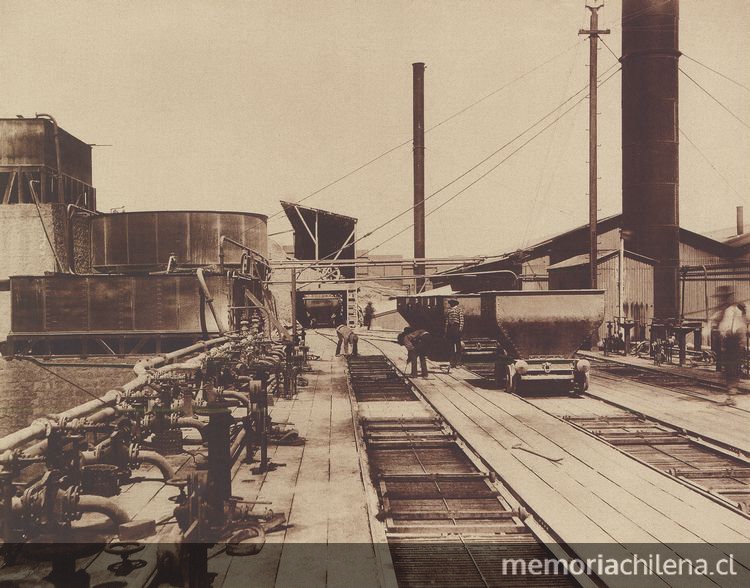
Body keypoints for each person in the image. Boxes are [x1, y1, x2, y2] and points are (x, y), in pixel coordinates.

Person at [716, 287, 748, 405]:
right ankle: (731, 394)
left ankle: (731, 396)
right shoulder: (733, 310)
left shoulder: (732, 310)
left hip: (733, 342)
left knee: (731, 369)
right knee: (731, 369)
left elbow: (728, 327)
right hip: (734, 341)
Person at [444, 298, 465, 368]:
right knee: (451, 345)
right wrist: (446, 330)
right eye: (451, 303)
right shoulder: (449, 310)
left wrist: (460, 329)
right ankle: (452, 362)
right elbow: (447, 321)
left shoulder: (459, 309)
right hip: (450, 328)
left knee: (458, 345)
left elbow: (461, 320)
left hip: (456, 327)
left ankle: (458, 362)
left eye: (452, 303)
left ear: (455, 303)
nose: (451, 304)